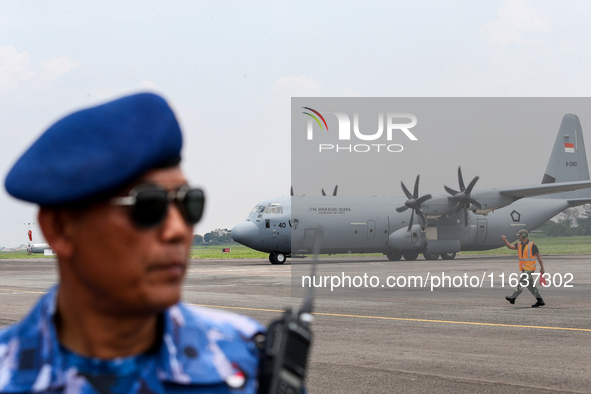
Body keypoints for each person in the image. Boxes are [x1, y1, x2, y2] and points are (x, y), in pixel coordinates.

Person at [0, 93, 265, 393]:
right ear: (60, 228)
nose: (179, 230)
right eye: (148, 207)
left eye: (189, 204)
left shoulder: (247, 363)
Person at [501, 229, 546, 308]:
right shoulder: (519, 245)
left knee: (522, 281)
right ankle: (540, 300)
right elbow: (510, 247)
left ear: (524, 235)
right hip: (524, 269)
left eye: (519, 235)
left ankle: (513, 297)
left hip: (530, 268)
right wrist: (505, 240)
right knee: (530, 286)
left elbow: (539, 257)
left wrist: (542, 268)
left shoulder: (532, 245)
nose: (518, 236)